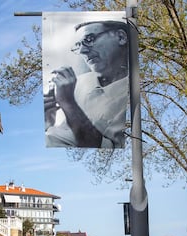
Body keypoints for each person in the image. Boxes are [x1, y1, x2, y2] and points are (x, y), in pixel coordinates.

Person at [45, 20, 129, 148]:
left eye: (89, 39)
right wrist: (47, 120)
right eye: (78, 45)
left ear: (121, 37)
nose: (83, 51)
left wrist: (68, 103)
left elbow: (104, 152)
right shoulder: (76, 82)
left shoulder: (134, 96)